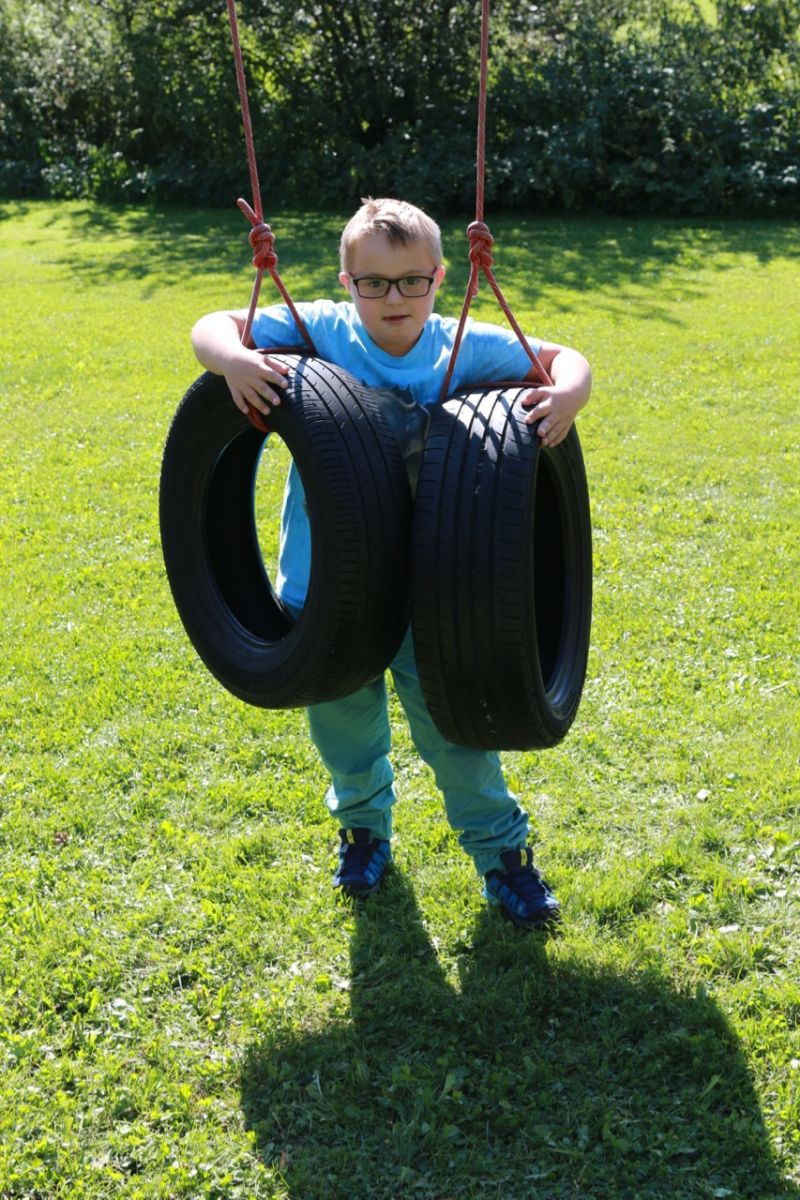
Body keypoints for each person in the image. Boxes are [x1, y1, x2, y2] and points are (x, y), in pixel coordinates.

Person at [191, 197, 591, 929]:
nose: (394, 298)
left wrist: (566, 394)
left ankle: (503, 854)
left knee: (456, 735)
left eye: (412, 281)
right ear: (347, 282)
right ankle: (363, 832)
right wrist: (234, 362)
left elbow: (567, 360)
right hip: (326, 593)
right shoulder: (321, 330)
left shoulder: (460, 342)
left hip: (432, 595)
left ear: (439, 279)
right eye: (373, 283)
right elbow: (212, 326)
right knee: (346, 735)